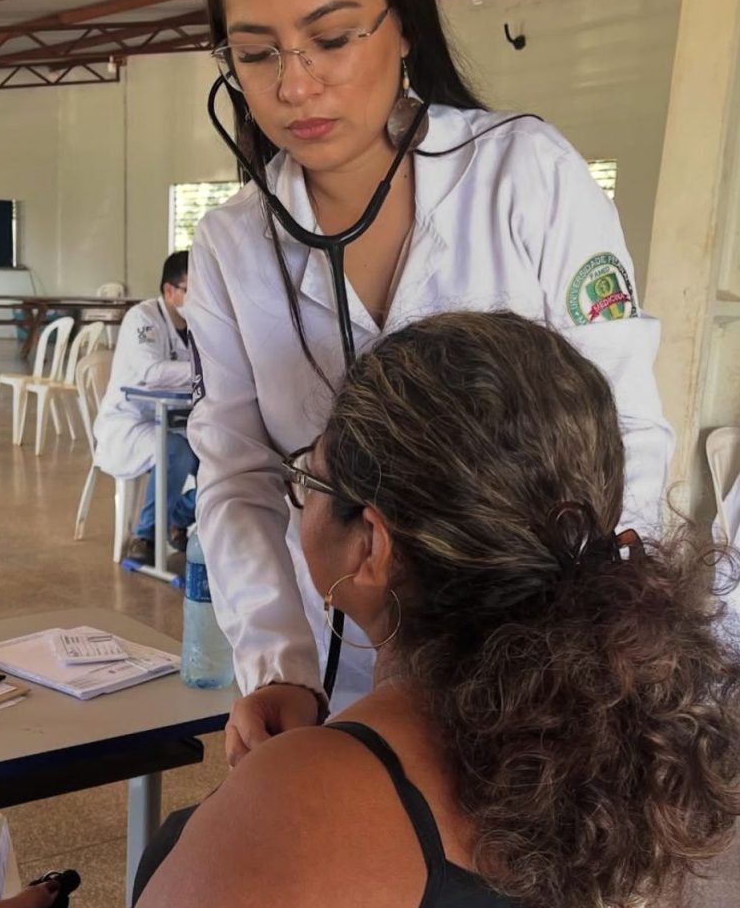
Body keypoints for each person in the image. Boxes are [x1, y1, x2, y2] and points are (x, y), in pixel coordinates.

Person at [183, 0, 675, 760]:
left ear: (404, 20)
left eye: (331, 39)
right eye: (256, 54)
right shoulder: (231, 245)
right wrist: (279, 662)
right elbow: (238, 473)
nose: (296, 85)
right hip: (338, 679)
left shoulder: (523, 175)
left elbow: (622, 427)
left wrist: (591, 651)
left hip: (539, 672)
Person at [133, 312, 740, 908]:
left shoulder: (301, 800)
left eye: (307, 479)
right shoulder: (595, 765)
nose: (299, 500)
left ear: (370, 544)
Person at [94, 250, 195, 566]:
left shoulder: (198, 325)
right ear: (170, 291)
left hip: (174, 417)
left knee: (224, 455)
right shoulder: (143, 319)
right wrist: (204, 371)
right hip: (131, 420)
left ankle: (177, 515)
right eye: (194, 291)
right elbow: (151, 373)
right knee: (176, 450)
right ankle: (146, 534)